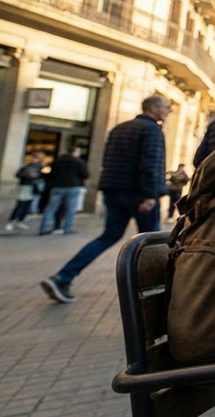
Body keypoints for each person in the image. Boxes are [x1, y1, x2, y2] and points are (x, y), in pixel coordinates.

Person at [41, 96, 171, 303]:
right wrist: (149, 195)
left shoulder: (119, 128)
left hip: (114, 190)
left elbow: (108, 159)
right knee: (152, 242)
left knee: (109, 236)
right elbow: (150, 164)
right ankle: (158, 291)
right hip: (139, 193)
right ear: (153, 108)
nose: (169, 111)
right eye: (166, 107)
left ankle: (63, 277)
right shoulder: (152, 130)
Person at [38, 147, 88, 235]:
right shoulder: (79, 162)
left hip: (57, 186)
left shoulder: (57, 162)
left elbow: (47, 172)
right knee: (70, 209)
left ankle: (44, 228)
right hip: (73, 186)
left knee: (51, 208)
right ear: (75, 152)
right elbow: (85, 174)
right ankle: (68, 228)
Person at [6, 151, 46, 231]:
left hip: (33, 187)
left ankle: (19, 221)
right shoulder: (27, 166)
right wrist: (29, 175)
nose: (35, 159)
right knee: (20, 205)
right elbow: (18, 175)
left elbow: (42, 177)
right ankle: (12, 221)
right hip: (25, 187)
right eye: (34, 157)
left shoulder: (41, 167)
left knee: (27, 206)